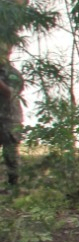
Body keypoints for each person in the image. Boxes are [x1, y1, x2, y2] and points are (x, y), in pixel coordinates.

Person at [0, 59, 24, 187]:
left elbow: (10, 93)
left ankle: (13, 186)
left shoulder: (13, 74)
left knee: (10, 154)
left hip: (9, 119)